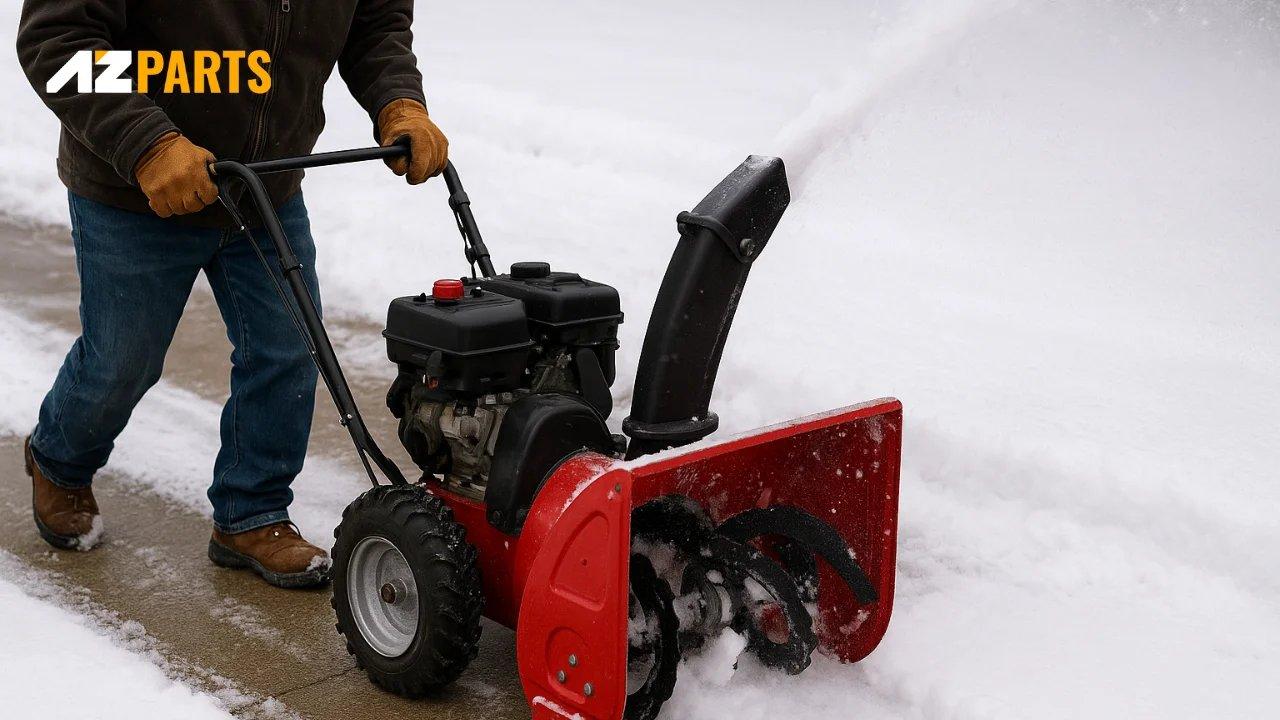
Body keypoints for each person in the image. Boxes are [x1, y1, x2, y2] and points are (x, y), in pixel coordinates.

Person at [15, 0, 448, 588]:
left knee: (288, 349)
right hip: (135, 190)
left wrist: (399, 100)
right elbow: (58, 42)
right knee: (123, 359)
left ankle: (252, 513)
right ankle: (60, 460)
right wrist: (149, 142)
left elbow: (376, 23)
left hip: (264, 182)